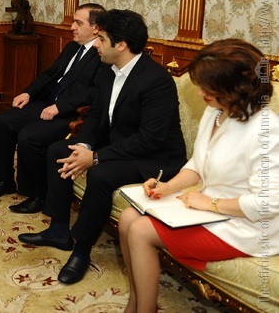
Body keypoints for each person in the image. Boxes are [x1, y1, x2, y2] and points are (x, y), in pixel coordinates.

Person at [18, 9, 187, 284]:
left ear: (120, 45)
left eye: (102, 39)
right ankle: (59, 230)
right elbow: (96, 115)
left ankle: (81, 250)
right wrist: (83, 145)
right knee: (59, 151)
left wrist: (95, 157)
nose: (96, 44)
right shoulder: (109, 71)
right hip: (121, 145)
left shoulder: (156, 81)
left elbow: (149, 139)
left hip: (155, 157)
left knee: (100, 174)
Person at [118, 39, 278, 313]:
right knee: (127, 218)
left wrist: (210, 204)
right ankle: (136, 302)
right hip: (211, 210)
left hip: (247, 226)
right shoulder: (215, 112)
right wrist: (168, 187)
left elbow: (268, 203)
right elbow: (198, 163)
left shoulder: (266, 131)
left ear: (235, 87)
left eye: (209, 86)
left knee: (141, 230)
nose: (201, 91)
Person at [0, 3, 106, 210]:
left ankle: (38, 194)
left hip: (71, 113)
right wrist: (28, 93)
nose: (72, 27)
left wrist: (60, 107)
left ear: (96, 28)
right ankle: (5, 180)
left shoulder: (102, 53)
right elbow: (50, 73)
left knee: (29, 137)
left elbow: (94, 92)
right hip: (48, 103)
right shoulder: (73, 47)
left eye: (78, 23)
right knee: (3, 121)